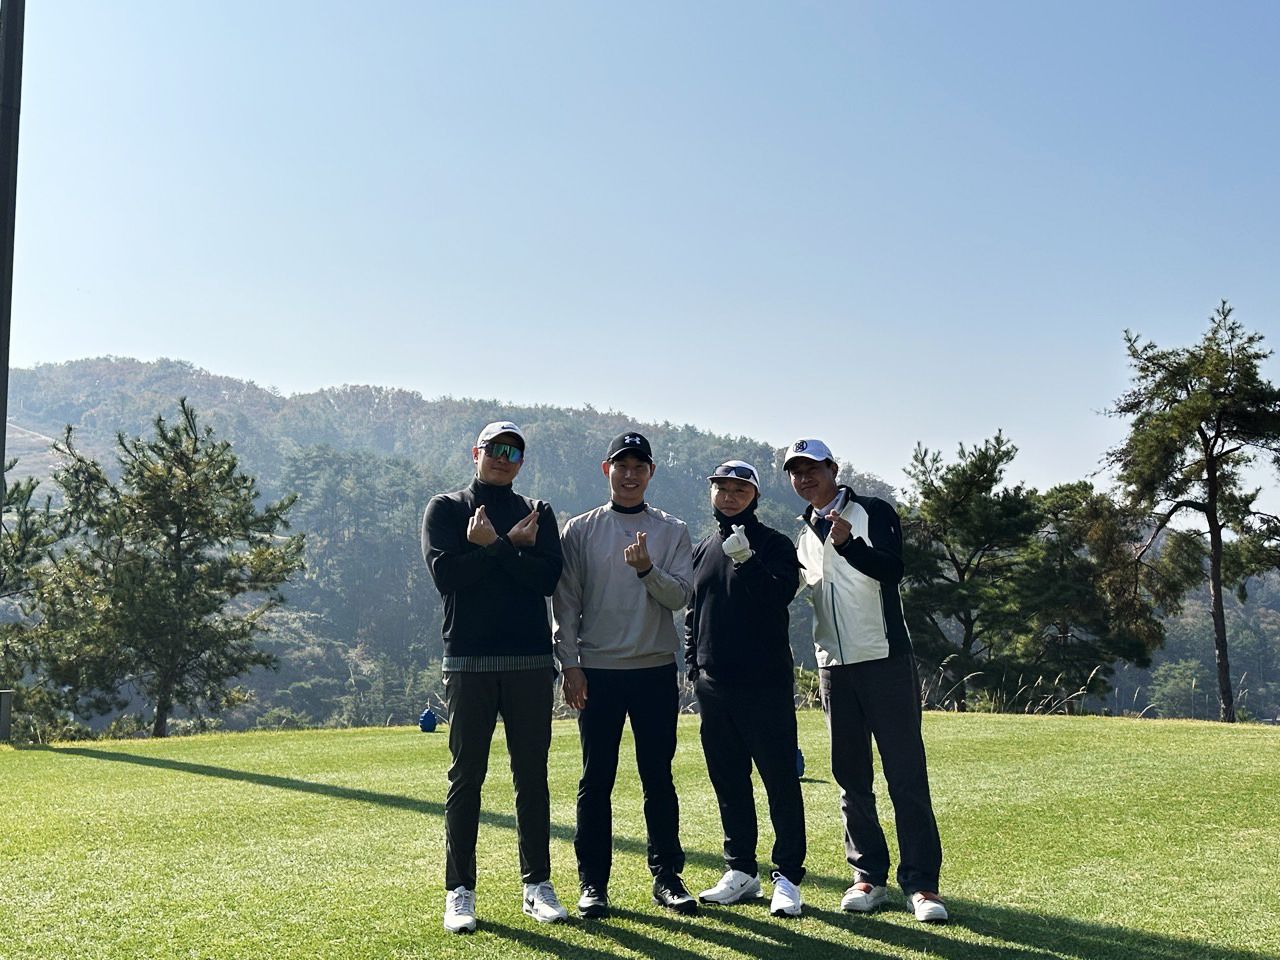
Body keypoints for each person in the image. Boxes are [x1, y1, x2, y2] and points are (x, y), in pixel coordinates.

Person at [784, 437, 948, 924]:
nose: (804, 478)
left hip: (884, 659)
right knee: (850, 776)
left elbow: (893, 570)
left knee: (905, 775)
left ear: (833, 469)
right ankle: (868, 876)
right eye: (796, 471)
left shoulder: (873, 511)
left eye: (812, 468)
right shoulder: (802, 533)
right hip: (833, 666)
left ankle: (921, 885)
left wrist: (849, 544)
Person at [421, 421, 568, 934]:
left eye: (513, 452)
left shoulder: (537, 512)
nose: (503, 458)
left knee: (532, 777)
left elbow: (547, 579)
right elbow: (447, 577)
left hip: (530, 661)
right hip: (468, 661)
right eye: (495, 449)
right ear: (476, 453)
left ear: (521, 462)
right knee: (466, 778)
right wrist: (505, 548)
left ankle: (537, 885)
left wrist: (492, 547)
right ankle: (459, 891)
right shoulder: (446, 508)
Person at [553, 430, 697, 919]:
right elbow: (566, 603)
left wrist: (647, 570)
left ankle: (668, 877)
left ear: (651, 472)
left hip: (654, 669)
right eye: (622, 465)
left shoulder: (672, 530)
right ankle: (593, 884)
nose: (630, 474)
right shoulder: (581, 530)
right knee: (596, 780)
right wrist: (570, 664)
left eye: (639, 466)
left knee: (658, 777)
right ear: (607, 470)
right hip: (597, 671)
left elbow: (680, 597)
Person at [685, 460, 807, 917]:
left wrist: (746, 561)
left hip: (764, 684)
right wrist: (694, 668)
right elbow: (693, 613)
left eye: (740, 489)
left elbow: (778, 598)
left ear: (755, 496)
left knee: (780, 781)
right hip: (714, 685)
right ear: (711, 493)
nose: (729, 496)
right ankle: (741, 870)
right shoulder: (703, 547)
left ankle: (788, 876)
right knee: (729, 781)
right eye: (722, 488)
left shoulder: (774, 544)